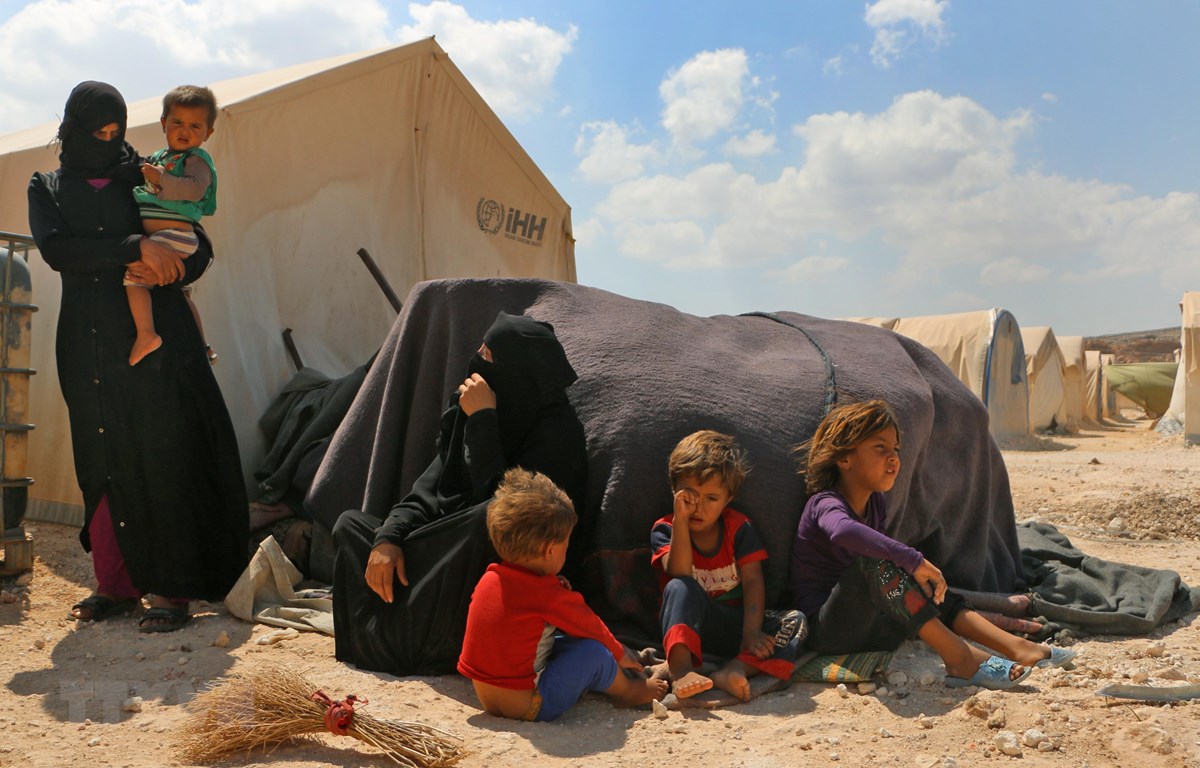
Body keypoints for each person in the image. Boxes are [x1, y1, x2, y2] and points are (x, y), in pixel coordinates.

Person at [27, 81, 248, 633]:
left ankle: (172, 587)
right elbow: (57, 251)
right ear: (73, 129)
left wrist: (175, 263)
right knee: (100, 455)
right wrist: (133, 247)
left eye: (116, 132)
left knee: (163, 450)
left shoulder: (141, 173)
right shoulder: (47, 186)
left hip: (154, 337)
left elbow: (196, 241)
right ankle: (115, 585)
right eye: (96, 132)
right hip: (86, 339)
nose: (107, 141)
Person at [332, 311, 588, 675]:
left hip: (497, 558)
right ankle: (391, 641)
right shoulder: (467, 414)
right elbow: (428, 490)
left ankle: (423, 646)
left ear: (518, 370)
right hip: (450, 545)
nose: (476, 360)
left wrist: (484, 421)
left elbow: (513, 513)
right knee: (351, 526)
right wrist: (388, 537)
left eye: (488, 355)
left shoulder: (558, 435)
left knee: (487, 518)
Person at [790, 399, 1078, 690]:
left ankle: (1018, 647)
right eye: (880, 448)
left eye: (896, 450)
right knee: (880, 566)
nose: (893, 458)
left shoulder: (875, 503)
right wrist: (911, 560)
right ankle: (960, 659)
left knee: (927, 586)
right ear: (844, 459)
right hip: (829, 632)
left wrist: (911, 570)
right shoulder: (824, 503)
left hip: (874, 629)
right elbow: (843, 531)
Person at [458, 468, 667, 721]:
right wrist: (620, 653)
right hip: (530, 703)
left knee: (559, 641)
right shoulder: (547, 594)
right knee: (594, 652)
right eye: (566, 545)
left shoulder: (490, 578)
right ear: (550, 550)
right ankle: (628, 691)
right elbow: (590, 627)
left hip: (487, 697)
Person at [650, 430, 806, 702]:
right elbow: (680, 572)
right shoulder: (665, 529)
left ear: (728, 498)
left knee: (795, 621)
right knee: (679, 586)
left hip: (735, 626)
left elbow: (753, 581)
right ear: (674, 490)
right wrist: (681, 520)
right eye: (690, 495)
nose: (699, 507)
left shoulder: (739, 529)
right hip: (688, 626)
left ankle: (735, 669)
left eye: (711, 498)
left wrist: (751, 634)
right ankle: (681, 671)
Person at [127, 84, 219, 366]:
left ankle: (146, 334)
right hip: (167, 237)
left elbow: (195, 189)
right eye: (177, 122)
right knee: (180, 295)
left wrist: (162, 179)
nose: (184, 131)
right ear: (163, 123)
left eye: (194, 126)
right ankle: (202, 347)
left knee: (134, 277)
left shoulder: (196, 160)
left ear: (207, 133)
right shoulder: (159, 158)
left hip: (176, 235)